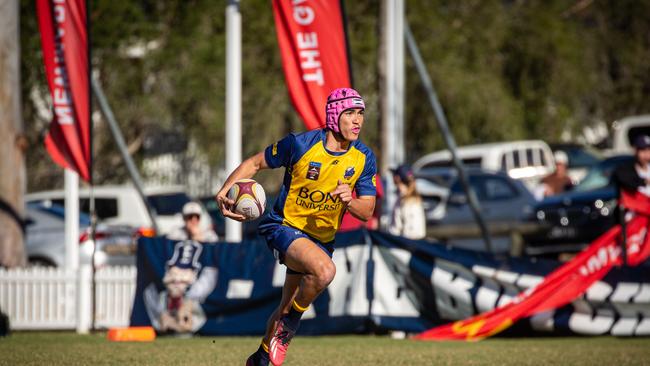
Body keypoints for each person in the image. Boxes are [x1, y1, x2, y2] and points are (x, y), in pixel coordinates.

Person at [215, 88, 376, 366]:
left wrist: (349, 201)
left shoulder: (363, 157)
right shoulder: (300, 144)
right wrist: (225, 189)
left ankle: (260, 360)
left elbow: (367, 210)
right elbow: (255, 163)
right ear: (335, 116)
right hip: (285, 226)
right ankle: (289, 327)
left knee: (286, 305)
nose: (357, 120)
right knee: (325, 272)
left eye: (360, 114)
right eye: (350, 113)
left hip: (321, 239)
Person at [388, 164, 426, 240]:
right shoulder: (410, 197)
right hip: (414, 244)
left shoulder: (407, 201)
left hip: (407, 245)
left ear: (398, 178)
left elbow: (398, 230)